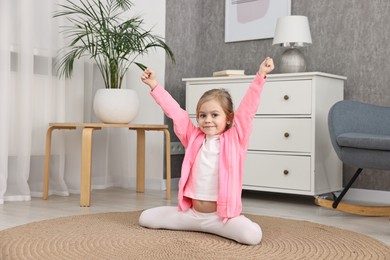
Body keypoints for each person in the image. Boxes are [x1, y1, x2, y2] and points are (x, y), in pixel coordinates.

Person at [139, 57, 274, 245]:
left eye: (214, 115)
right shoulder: (193, 137)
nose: (207, 120)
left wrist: (260, 76)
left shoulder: (236, 138)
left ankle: (219, 227)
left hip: (220, 218)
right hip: (191, 215)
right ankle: (197, 226)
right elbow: (176, 113)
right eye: (202, 115)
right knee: (145, 218)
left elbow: (247, 110)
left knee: (252, 236)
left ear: (228, 118)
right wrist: (154, 86)